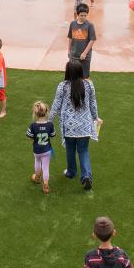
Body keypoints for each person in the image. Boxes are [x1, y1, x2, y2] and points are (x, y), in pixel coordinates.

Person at [49, 60, 100, 190]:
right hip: (85, 125)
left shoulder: (63, 86)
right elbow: (93, 104)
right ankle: (86, 176)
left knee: (70, 150)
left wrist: (49, 120)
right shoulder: (89, 85)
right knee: (83, 150)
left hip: (69, 125)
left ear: (68, 72)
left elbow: (56, 105)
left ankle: (71, 172)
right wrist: (95, 118)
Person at [27, 101, 55, 195]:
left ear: (35, 113)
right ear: (46, 111)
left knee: (37, 162)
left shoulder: (33, 125)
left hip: (37, 150)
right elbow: (53, 135)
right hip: (47, 150)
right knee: (46, 167)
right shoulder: (50, 125)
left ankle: (37, 177)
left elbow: (29, 136)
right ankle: (46, 184)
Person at [67, 3, 96, 78]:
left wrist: (84, 53)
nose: (83, 17)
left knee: (85, 76)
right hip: (74, 55)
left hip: (85, 56)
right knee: (73, 75)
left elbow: (92, 40)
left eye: (85, 15)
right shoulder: (73, 24)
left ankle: (87, 89)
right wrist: (69, 51)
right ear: (77, 14)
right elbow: (70, 38)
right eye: (81, 15)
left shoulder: (90, 25)